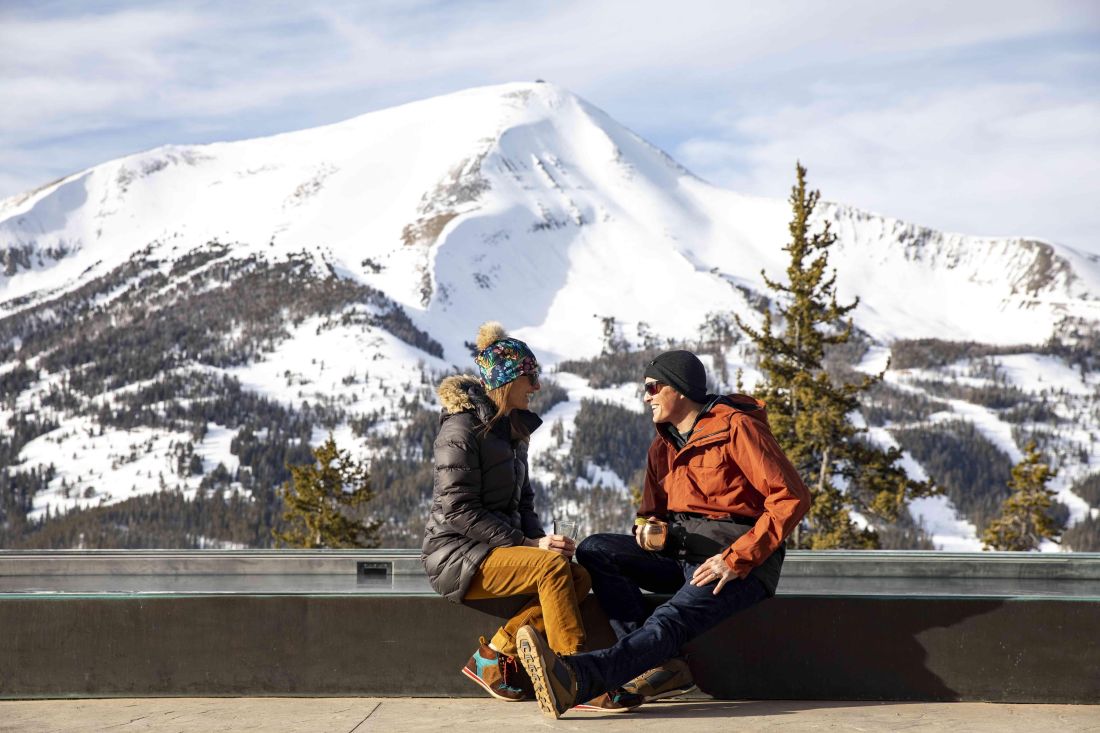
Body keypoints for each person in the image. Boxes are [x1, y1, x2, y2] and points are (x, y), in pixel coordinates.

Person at [514, 349, 811, 718]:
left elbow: (791, 496)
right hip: (679, 552)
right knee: (596, 549)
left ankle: (579, 678)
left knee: (670, 619)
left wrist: (737, 559)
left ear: (680, 389)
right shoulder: (663, 446)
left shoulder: (737, 427)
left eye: (653, 387)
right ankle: (659, 667)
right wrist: (647, 530)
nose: (646, 396)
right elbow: (649, 513)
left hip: (733, 562)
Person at [421, 321, 590, 702]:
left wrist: (544, 541)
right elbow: (459, 510)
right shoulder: (461, 431)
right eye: (530, 377)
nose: (537, 387)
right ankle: (577, 678)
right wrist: (529, 543)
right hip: (455, 556)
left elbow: (524, 503)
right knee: (550, 568)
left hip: (494, 549)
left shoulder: (511, 433)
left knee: (577, 575)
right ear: (506, 380)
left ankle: (494, 655)